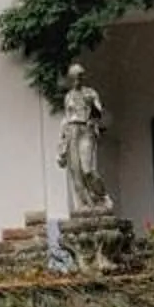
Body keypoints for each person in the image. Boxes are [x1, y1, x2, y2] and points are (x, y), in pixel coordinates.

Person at [58, 63, 111, 211]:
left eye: (80, 76)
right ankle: (85, 204)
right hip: (72, 131)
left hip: (85, 130)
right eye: (75, 77)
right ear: (71, 78)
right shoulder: (68, 96)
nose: (78, 79)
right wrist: (62, 140)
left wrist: (92, 105)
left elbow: (99, 113)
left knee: (87, 169)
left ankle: (102, 196)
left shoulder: (90, 93)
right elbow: (66, 118)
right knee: (76, 171)